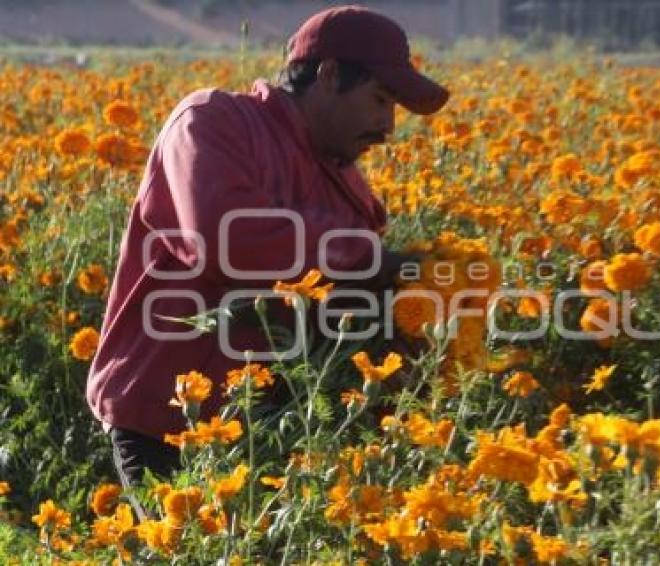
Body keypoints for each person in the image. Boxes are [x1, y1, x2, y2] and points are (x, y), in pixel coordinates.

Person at [86, 5, 449, 491]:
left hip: (278, 425)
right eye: (380, 100)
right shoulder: (212, 122)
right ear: (329, 74)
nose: (388, 127)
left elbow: (345, 313)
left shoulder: (347, 182)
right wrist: (373, 261)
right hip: (174, 420)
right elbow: (229, 240)